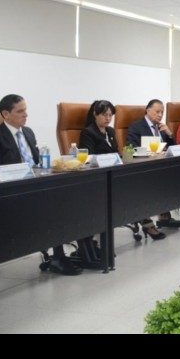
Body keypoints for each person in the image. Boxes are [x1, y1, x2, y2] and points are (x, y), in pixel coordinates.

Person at [0, 94, 82, 275]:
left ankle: (76, 251)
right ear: (5, 114)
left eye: (26, 110)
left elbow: (37, 162)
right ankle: (58, 258)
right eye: (20, 111)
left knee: (68, 197)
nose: (26, 115)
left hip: (35, 185)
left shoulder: (28, 132)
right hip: (12, 191)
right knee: (54, 205)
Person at [77, 100, 119, 263]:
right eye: (104, 115)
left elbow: (116, 153)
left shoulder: (110, 131)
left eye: (110, 115)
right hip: (97, 179)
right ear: (95, 114)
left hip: (111, 175)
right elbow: (88, 158)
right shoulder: (88, 132)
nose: (108, 118)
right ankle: (95, 243)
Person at [126, 99, 175, 238]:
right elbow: (131, 148)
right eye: (157, 111)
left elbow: (173, 148)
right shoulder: (136, 127)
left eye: (162, 112)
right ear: (147, 111)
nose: (160, 115)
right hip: (145, 168)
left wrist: (170, 134)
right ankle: (147, 222)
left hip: (163, 166)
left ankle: (165, 210)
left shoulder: (162, 128)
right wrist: (150, 152)